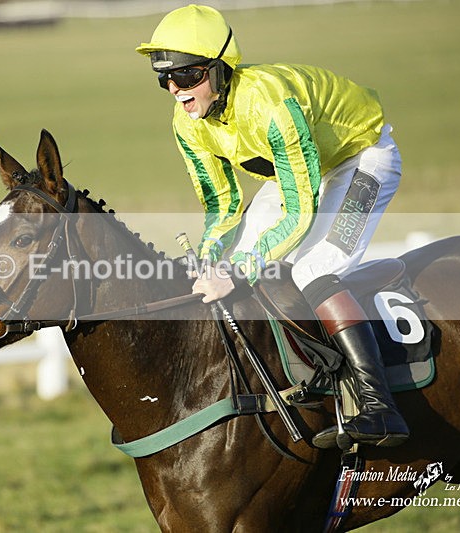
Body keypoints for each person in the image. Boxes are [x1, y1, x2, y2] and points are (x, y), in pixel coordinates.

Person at [137, 5, 408, 448]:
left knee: (312, 267)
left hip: (362, 159)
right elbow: (222, 204)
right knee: (228, 260)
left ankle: (381, 408)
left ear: (221, 71)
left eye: (187, 77)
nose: (176, 91)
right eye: (165, 79)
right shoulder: (187, 124)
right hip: (301, 172)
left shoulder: (270, 102)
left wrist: (240, 270)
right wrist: (210, 258)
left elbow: (299, 212)